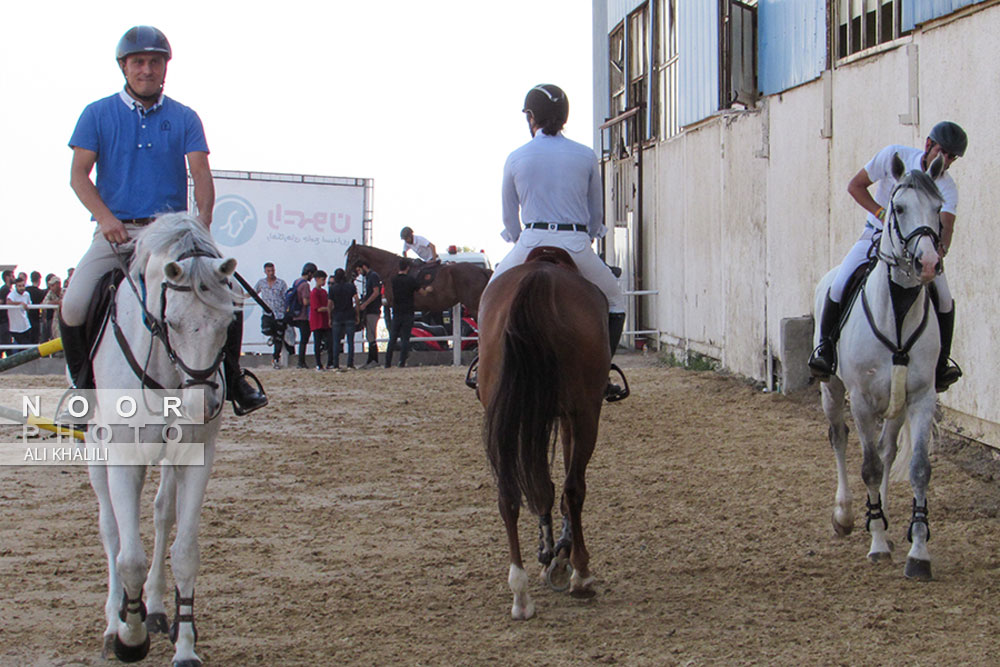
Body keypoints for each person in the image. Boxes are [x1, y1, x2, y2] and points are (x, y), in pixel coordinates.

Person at [62, 26, 266, 414]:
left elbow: (201, 174)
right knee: (73, 305)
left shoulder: (185, 117)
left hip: (171, 235)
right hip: (117, 231)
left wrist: (202, 225)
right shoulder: (96, 114)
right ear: (124, 67)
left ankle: (235, 377)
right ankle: (81, 390)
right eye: (138, 62)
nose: (146, 69)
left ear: (164, 68)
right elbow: (78, 176)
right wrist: (104, 218)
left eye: (154, 62)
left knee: (224, 297)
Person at [808, 121, 967, 393]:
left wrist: (938, 254)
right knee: (839, 283)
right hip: (875, 235)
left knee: (945, 299)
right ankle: (826, 350)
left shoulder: (946, 186)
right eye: (944, 152)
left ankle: (941, 365)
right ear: (928, 144)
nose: (947, 160)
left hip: (918, 250)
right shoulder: (894, 156)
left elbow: (946, 226)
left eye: (953, 156)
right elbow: (855, 186)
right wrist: (881, 214)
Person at [493, 83, 627, 399]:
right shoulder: (585, 155)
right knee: (616, 300)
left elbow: (509, 215)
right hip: (576, 243)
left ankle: (486, 364)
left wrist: (517, 239)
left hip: (530, 240)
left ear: (531, 117)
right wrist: (590, 237)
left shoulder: (516, 157)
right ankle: (601, 373)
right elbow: (596, 214)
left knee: (491, 297)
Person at [385, 259, 429, 368]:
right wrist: (428, 289)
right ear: (408, 268)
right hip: (408, 311)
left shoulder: (394, 280)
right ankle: (402, 362)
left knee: (393, 338)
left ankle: (387, 362)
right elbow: (422, 293)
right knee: (405, 338)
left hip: (397, 311)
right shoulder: (411, 280)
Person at [254, 261, 287, 368]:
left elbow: (286, 297)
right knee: (265, 329)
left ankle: (276, 359)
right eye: (269, 271)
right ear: (265, 271)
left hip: (279, 314)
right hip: (267, 313)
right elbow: (254, 292)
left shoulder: (281, 283)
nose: (271, 273)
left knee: (279, 338)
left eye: (272, 270)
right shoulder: (261, 283)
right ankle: (271, 336)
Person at [328, 268, 359, 370]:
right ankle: (350, 363)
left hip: (337, 315)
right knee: (350, 341)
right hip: (349, 314)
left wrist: (329, 317)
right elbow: (356, 300)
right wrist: (357, 314)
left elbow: (330, 304)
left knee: (336, 341)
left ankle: (336, 363)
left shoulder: (333, 288)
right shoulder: (350, 287)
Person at [356, 260, 382, 368]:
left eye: (359, 270)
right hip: (370, 309)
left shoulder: (373, 276)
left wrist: (365, 303)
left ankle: (373, 359)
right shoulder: (370, 277)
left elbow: (376, 292)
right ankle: (371, 359)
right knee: (369, 335)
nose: (359, 272)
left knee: (371, 334)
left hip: (372, 309)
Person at [291, 262, 316, 368]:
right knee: (304, 340)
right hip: (303, 315)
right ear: (309, 273)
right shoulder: (305, 285)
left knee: (302, 339)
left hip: (296, 314)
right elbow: (306, 302)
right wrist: (314, 301)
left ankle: (301, 361)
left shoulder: (297, 282)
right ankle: (301, 361)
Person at [309, 270, 333, 370]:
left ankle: (329, 362)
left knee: (329, 342)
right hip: (317, 321)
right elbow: (317, 308)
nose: (324, 282)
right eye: (322, 279)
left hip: (324, 320)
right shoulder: (314, 293)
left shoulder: (323, 292)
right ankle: (319, 363)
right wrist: (329, 308)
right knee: (318, 343)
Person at [5, 276, 33, 346]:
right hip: (15, 327)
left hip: (26, 325)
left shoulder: (27, 294)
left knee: (26, 345)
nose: (21, 288)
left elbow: (29, 305)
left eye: (23, 285)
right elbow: (8, 302)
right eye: (19, 286)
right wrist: (20, 303)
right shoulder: (12, 295)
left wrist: (26, 307)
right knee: (24, 345)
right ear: (16, 286)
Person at [25, 272, 46, 344]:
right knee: (35, 339)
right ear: (39, 280)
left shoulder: (26, 290)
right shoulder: (40, 292)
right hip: (35, 318)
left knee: (27, 338)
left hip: (26, 317)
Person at [42, 275, 63, 342]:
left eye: (53, 285)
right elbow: (44, 302)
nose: (51, 288)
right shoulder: (50, 293)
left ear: (58, 284)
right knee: (55, 332)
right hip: (56, 315)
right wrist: (56, 302)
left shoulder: (65, 291)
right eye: (50, 286)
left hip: (66, 315)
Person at [0, 270, 13, 357]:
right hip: (4, 320)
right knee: (5, 343)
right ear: (7, 277)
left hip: (6, 320)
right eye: (12, 276)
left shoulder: (7, 289)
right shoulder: (4, 290)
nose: (14, 278)